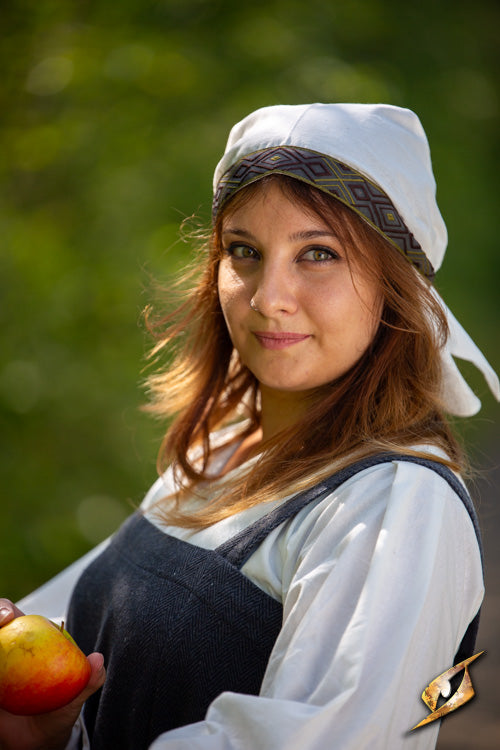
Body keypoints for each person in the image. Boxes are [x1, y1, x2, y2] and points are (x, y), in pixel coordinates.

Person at [1, 103, 499, 750]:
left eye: (317, 253)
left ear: (395, 285)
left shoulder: (396, 504)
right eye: (245, 252)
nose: (269, 297)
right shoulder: (222, 449)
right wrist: (54, 734)